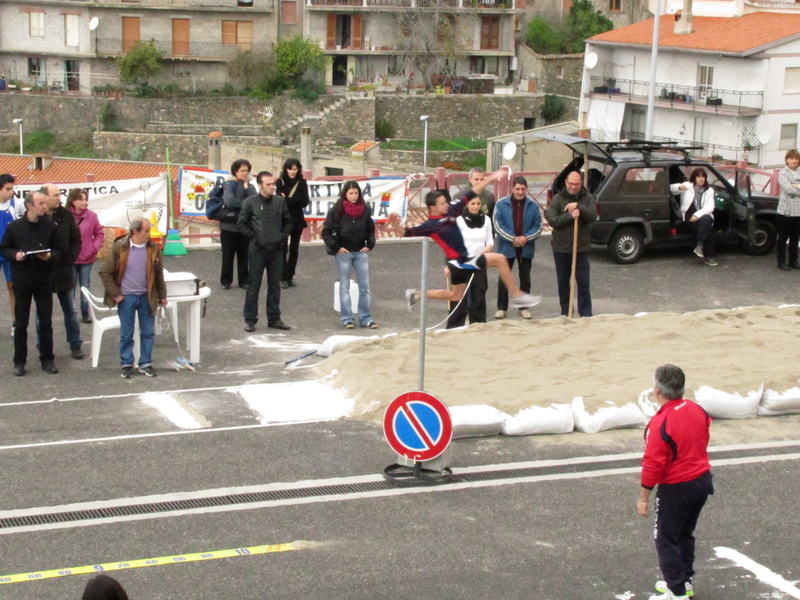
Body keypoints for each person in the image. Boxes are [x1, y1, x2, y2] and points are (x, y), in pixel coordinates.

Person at [387, 171, 541, 311]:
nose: (446, 205)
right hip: (459, 263)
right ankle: (517, 296)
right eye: (442, 204)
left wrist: (491, 178)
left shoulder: (452, 209)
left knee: (455, 296)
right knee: (500, 259)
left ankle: (416, 294)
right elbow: (404, 232)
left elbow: (474, 191)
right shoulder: (430, 226)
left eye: (446, 202)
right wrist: (394, 223)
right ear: (432, 208)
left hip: (463, 260)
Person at [638, 364, 713, 600]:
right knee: (684, 534)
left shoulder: (660, 423)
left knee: (665, 539)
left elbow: (653, 463)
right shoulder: (696, 408)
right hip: (701, 480)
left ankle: (677, 592)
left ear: (657, 391)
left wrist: (643, 497)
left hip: (677, 488)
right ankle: (684, 581)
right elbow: (704, 435)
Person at [0, 190, 61, 376]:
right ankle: (19, 361)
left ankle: (47, 358)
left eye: (45, 202)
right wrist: (15, 255)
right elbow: (4, 248)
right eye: (41, 203)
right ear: (29, 206)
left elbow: (60, 250)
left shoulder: (50, 226)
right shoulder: (15, 227)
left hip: (43, 279)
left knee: (45, 321)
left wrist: (50, 255)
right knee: (21, 322)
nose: (44, 206)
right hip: (22, 279)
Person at [99, 217, 168, 378]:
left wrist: (162, 296)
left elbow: (158, 274)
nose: (149, 234)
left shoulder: (153, 248)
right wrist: (116, 294)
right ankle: (126, 363)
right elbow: (105, 272)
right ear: (135, 231)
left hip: (146, 296)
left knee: (148, 332)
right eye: (146, 231)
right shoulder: (120, 247)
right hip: (126, 298)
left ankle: (146, 363)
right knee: (126, 333)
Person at [239, 171, 292, 332]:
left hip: (276, 249)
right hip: (257, 250)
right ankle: (250, 320)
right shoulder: (250, 202)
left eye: (273, 184)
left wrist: (281, 237)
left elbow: (288, 222)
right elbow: (242, 223)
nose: (272, 187)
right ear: (260, 185)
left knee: (275, 286)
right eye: (268, 184)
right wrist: (255, 238)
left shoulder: (280, 201)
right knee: (254, 285)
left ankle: (274, 318)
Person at [322, 181, 377, 329]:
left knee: (364, 287)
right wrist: (337, 247)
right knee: (344, 286)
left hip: (360, 252)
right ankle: (347, 318)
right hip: (343, 253)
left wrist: (370, 245)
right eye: (351, 193)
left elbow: (370, 229)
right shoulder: (336, 210)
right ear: (345, 194)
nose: (354, 196)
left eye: (356, 193)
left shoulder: (365, 209)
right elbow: (325, 232)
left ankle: (366, 318)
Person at [545, 170, 597, 318]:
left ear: (581, 184)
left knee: (583, 284)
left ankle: (585, 314)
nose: (574, 187)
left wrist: (579, 207)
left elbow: (593, 216)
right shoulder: (557, 199)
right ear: (566, 183)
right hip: (561, 248)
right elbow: (552, 220)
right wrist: (570, 216)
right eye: (571, 184)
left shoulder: (588, 198)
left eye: (577, 184)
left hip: (581, 248)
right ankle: (566, 312)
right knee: (563, 284)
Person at [42, 183, 84, 360]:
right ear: (44, 197)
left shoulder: (66, 215)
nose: (59, 198)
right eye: (55, 195)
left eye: (60, 194)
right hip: (42, 272)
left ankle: (75, 345)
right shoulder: (37, 216)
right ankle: (43, 347)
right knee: (42, 314)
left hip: (64, 270)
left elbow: (76, 240)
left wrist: (69, 260)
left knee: (70, 310)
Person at [493, 176, 542, 321]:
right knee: (503, 278)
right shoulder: (501, 204)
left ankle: (524, 308)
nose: (520, 192)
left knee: (525, 278)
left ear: (526, 189)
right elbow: (498, 224)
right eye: (517, 189)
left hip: (526, 248)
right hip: (506, 248)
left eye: (523, 189)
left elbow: (538, 226)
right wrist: (512, 238)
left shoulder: (533, 206)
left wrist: (525, 238)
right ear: (512, 189)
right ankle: (501, 308)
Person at [445, 194, 494, 328]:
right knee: (460, 297)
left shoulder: (487, 220)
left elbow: (490, 239)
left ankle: (478, 325)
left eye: (478, 204)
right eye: (473, 204)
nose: (476, 207)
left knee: (479, 295)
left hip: (479, 262)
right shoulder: (459, 221)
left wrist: (488, 247)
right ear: (467, 205)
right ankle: (455, 326)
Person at [68, 188, 104, 324]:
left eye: (85, 199)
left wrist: (94, 248)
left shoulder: (92, 216)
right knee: (70, 286)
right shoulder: (66, 216)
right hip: (70, 257)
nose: (84, 202)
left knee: (85, 285)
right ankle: (71, 313)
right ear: (73, 201)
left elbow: (99, 233)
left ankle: (85, 312)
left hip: (87, 256)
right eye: (81, 199)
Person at [219, 159, 256, 290]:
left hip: (245, 226)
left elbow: (255, 201)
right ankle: (225, 281)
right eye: (242, 170)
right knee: (227, 255)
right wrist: (246, 204)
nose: (244, 173)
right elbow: (229, 201)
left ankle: (244, 280)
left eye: (246, 170)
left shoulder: (250, 186)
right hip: (229, 225)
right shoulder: (229, 184)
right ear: (236, 171)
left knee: (244, 255)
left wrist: (247, 189)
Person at [670, 168, 717, 267]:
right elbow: (670, 188)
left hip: (700, 217)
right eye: (699, 176)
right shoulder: (688, 186)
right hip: (688, 216)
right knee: (708, 230)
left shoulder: (709, 190)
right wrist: (679, 187)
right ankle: (708, 256)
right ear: (694, 178)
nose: (701, 179)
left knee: (707, 220)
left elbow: (710, 207)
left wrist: (697, 215)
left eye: (703, 176)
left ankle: (700, 245)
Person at [275, 158, 310, 289]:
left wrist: (288, 199)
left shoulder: (302, 182)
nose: (292, 172)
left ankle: (290, 275)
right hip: (283, 219)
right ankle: (283, 276)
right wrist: (294, 200)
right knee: (283, 248)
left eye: (295, 169)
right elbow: (280, 200)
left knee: (294, 249)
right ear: (286, 169)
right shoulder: (280, 182)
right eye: (290, 169)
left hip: (297, 219)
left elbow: (305, 201)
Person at [0, 173, 19, 334]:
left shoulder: (15, 204)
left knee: (12, 286)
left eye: (12, 188)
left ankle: (15, 322)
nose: (11, 191)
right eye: (8, 189)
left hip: (10, 253)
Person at [775, 148, 800, 271]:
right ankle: (781, 261)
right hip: (785, 211)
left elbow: (792, 188)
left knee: (795, 237)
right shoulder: (782, 173)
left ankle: (793, 260)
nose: (794, 161)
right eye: (792, 158)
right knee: (783, 237)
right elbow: (788, 189)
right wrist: (795, 187)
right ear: (787, 160)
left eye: (796, 158)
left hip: (798, 211)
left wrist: (795, 185)